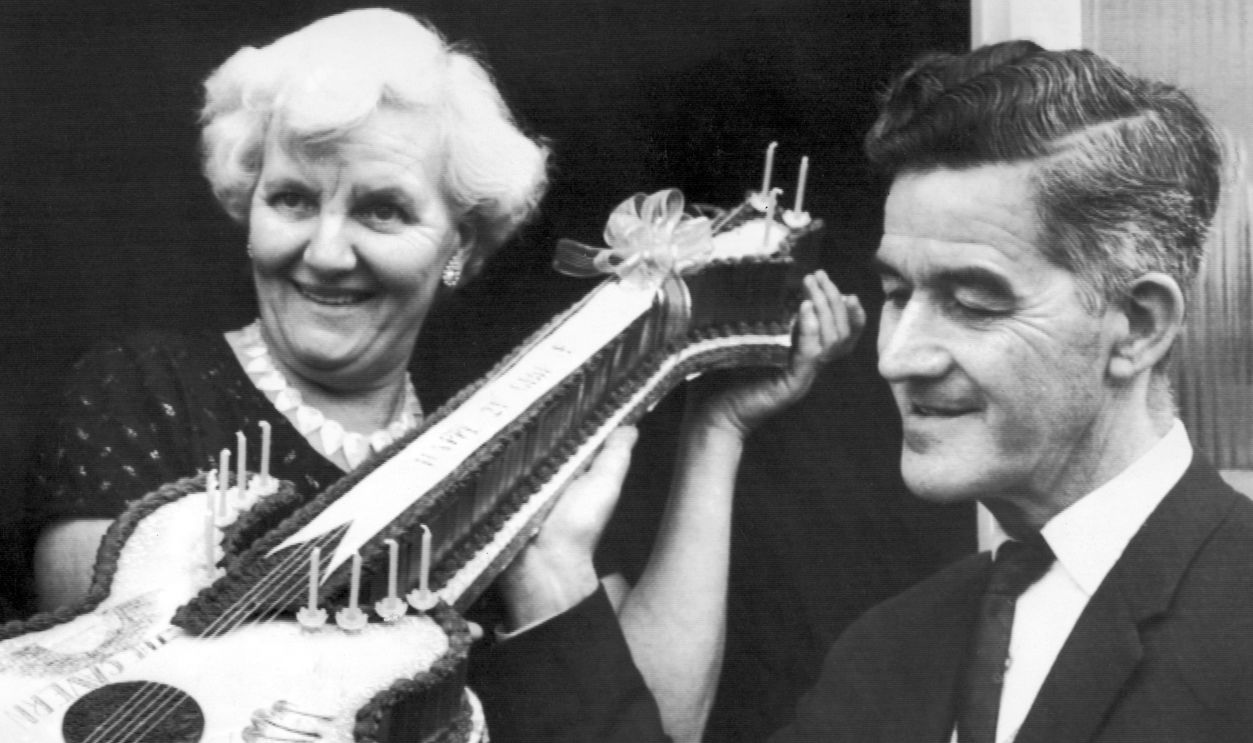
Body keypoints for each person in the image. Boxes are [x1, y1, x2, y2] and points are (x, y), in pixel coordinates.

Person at [23, 8, 865, 740]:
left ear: (459, 246)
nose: (324, 251)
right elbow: (112, 683)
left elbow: (649, 725)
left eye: (381, 209)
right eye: (291, 199)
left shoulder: (509, 436)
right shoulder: (142, 386)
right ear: (248, 207)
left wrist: (714, 434)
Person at [475, 39, 1253, 742]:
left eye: (972, 301)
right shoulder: (890, 648)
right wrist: (558, 578)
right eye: (894, 293)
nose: (897, 356)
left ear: (1139, 325)